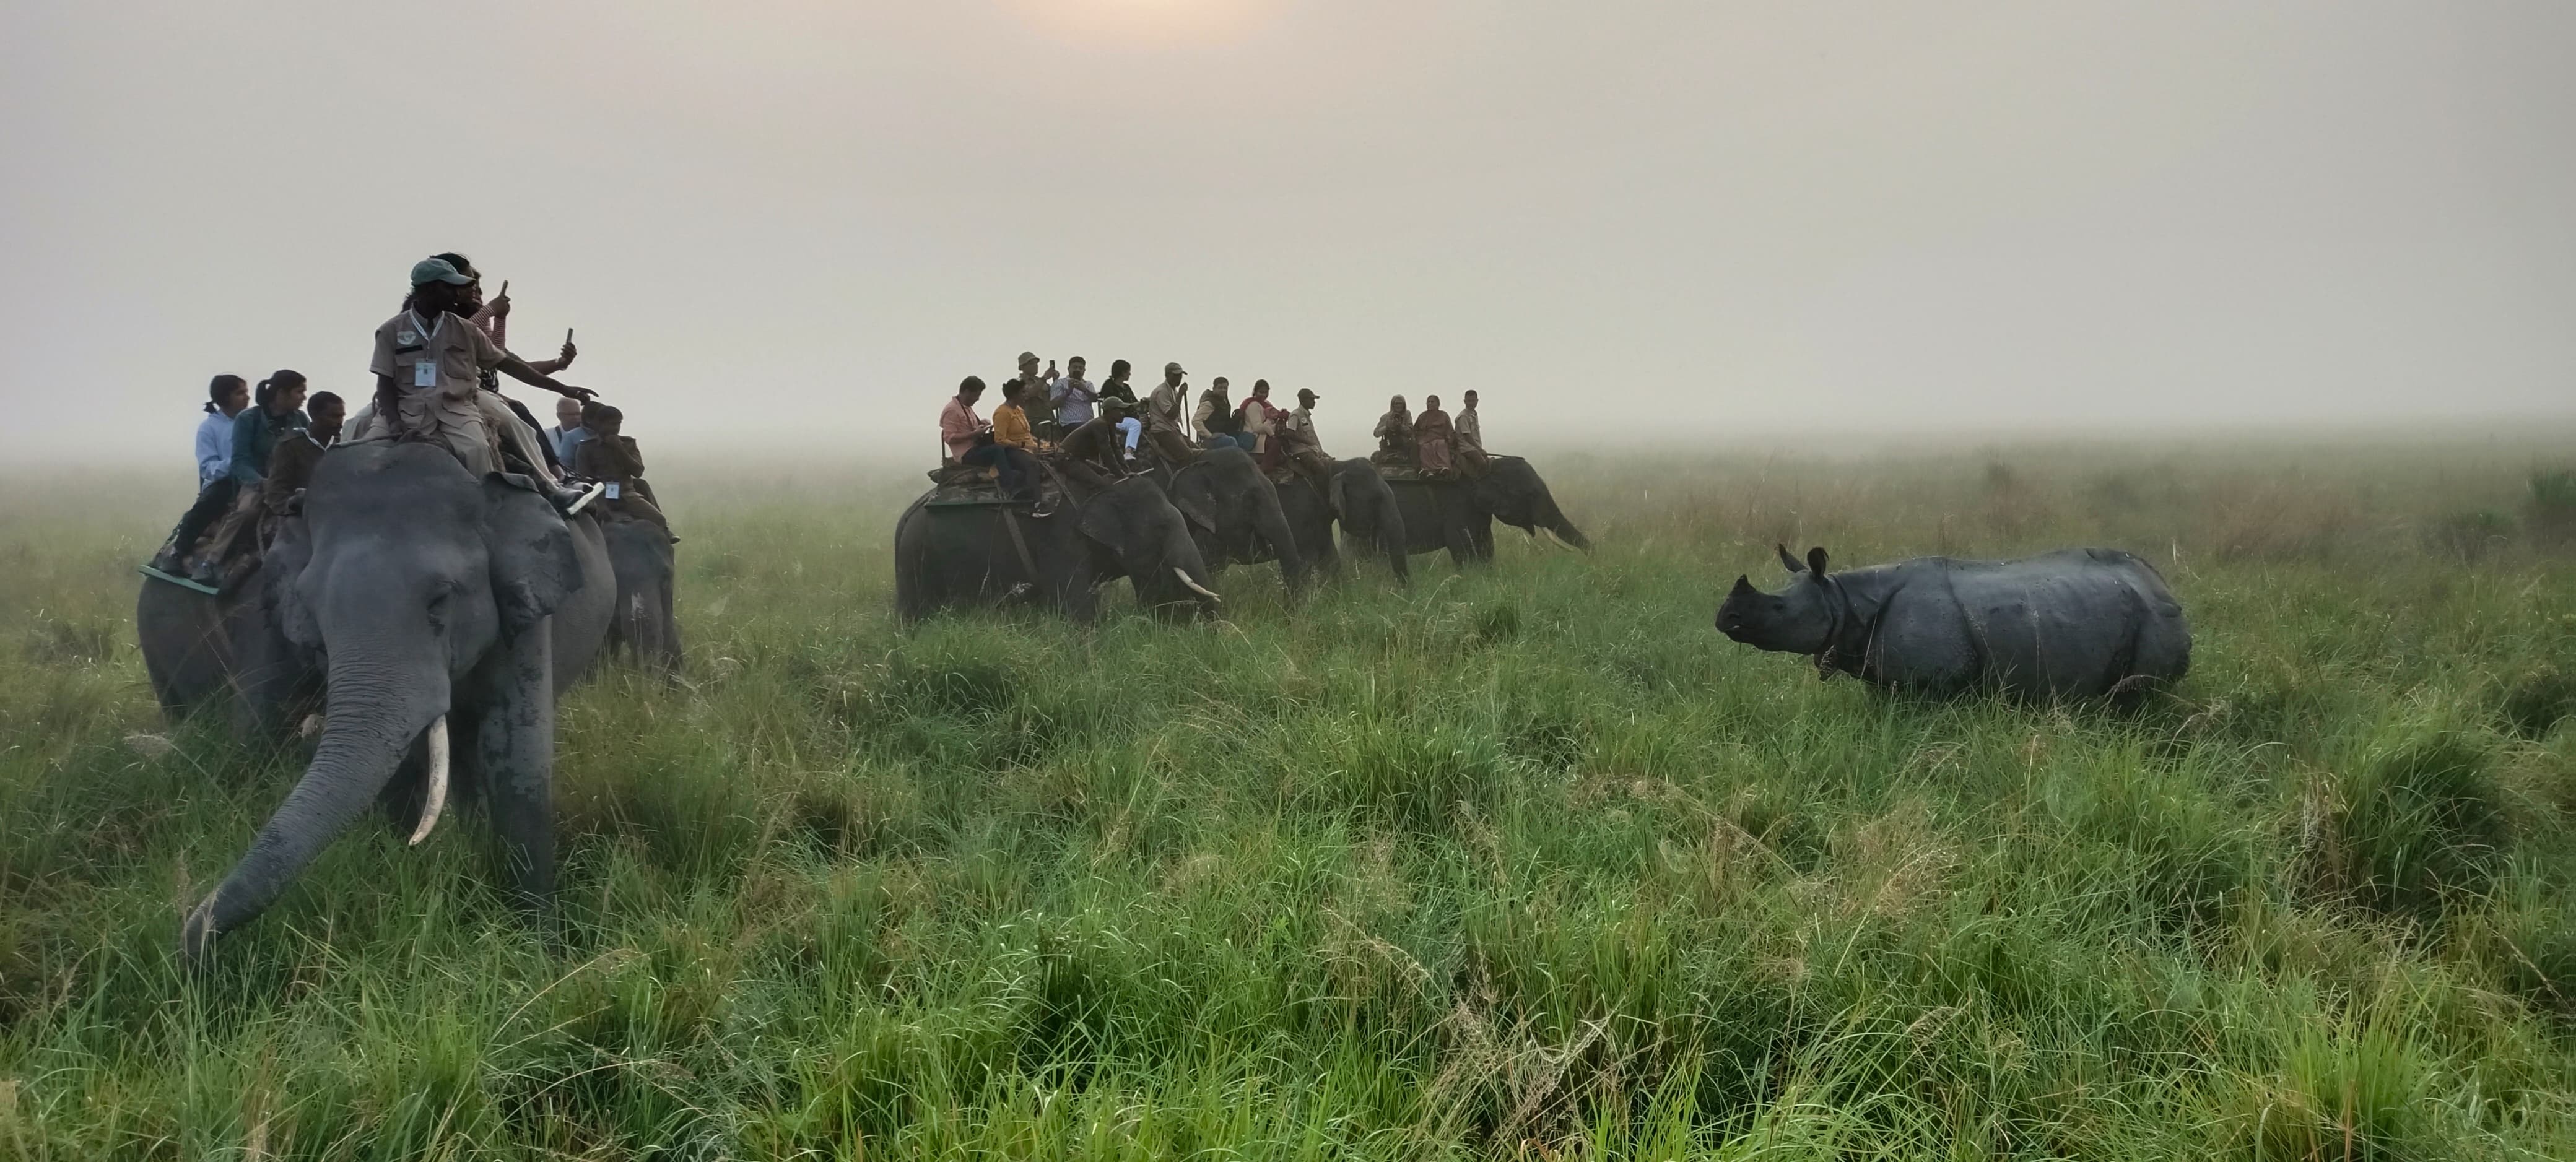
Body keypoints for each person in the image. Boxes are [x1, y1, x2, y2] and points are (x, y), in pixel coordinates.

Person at [362, 257, 598, 512]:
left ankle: (539, 491)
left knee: (479, 448)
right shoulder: (391, 331)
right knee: (365, 451)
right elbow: (384, 384)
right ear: (429, 289)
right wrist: (395, 422)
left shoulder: (465, 329)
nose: (458, 292)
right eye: (450, 286)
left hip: (457, 409)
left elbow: (509, 363)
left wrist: (563, 389)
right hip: (406, 406)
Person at [446, 253, 580, 474]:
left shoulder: (475, 321)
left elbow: (502, 357)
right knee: (518, 416)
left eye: (477, 288)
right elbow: (455, 337)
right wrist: (490, 310)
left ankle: (555, 473)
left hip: (478, 391)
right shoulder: (444, 320)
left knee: (517, 413)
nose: (476, 293)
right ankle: (554, 474)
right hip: (457, 390)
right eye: (470, 286)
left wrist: (559, 363)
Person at [188, 371, 309, 584]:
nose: (304, 398)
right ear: (282, 394)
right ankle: (212, 562)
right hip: (257, 483)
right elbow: (240, 462)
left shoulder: (300, 419)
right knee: (247, 511)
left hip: (290, 485)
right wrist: (261, 482)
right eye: (299, 392)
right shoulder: (248, 419)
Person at [151, 375, 251, 573]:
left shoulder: (252, 422)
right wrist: (237, 464)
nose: (247, 397)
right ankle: (178, 552)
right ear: (225, 398)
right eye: (241, 393)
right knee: (206, 505)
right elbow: (208, 468)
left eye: (247, 392)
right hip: (224, 483)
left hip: (253, 481)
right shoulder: (209, 428)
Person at [572, 402, 674, 538]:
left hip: (627, 495)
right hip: (600, 496)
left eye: (618, 424)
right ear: (598, 424)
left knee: (659, 519)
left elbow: (638, 471)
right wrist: (600, 506)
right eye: (610, 424)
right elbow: (584, 479)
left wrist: (619, 448)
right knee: (586, 533)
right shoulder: (586, 447)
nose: (615, 428)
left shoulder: (629, 444)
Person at [258, 389, 342, 540]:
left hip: (337, 516)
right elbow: (275, 491)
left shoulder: (344, 447)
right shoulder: (290, 447)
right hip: (300, 518)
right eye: (334, 416)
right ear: (315, 416)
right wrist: (293, 506)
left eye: (342, 416)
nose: (340, 422)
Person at [941, 376, 1039, 503]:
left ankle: (1015, 471)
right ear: (966, 392)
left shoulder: (965, 406)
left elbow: (967, 427)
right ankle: (1010, 484)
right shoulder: (952, 410)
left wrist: (981, 424)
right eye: (976, 395)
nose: (978, 399)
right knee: (998, 449)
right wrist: (974, 434)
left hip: (975, 446)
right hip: (967, 453)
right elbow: (949, 438)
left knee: (1000, 442)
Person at [1055, 398, 1134, 490]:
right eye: (1120, 410)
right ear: (1111, 411)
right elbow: (1106, 453)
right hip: (1067, 459)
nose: (1124, 414)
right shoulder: (1100, 424)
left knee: (1107, 473)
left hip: (1077, 459)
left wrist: (1127, 472)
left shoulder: (1110, 424)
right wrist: (1121, 474)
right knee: (1102, 484)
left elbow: (1116, 448)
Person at [1277, 387, 1336, 508]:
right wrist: (1307, 441)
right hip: (1301, 451)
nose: (1314, 402)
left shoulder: (1307, 416)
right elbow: (1290, 433)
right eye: (1312, 399)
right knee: (1320, 468)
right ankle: (1324, 497)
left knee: (1332, 463)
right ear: (1303, 400)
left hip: (1311, 450)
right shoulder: (1296, 415)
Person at [1142, 361, 1200, 466]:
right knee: (1187, 456)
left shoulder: (1174, 391)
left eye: (1180, 375)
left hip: (1173, 430)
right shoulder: (1162, 391)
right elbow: (1171, 414)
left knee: (1200, 451)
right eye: (1176, 375)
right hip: (1162, 431)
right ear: (1168, 375)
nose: (1179, 378)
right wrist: (1181, 395)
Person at [1009, 352, 1059, 439]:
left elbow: (1052, 400)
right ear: (1022, 367)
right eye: (1032, 363)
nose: (1036, 365)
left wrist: (1057, 382)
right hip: (1031, 422)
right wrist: (1045, 378)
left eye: (1036, 363)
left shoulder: (1041, 382)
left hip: (1049, 421)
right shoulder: (1019, 382)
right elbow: (1028, 394)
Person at [1238, 380, 1285, 468]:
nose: (1263, 395)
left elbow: (1273, 416)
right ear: (1255, 392)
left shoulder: (1266, 404)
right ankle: (1263, 469)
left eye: (1266, 392)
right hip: (1255, 435)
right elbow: (1257, 427)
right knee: (1276, 444)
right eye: (1261, 392)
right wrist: (1272, 430)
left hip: (1266, 432)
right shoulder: (1253, 405)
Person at [1194, 376, 1248, 450]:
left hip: (1224, 433)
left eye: (1225, 388)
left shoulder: (1223, 401)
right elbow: (1196, 421)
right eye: (1220, 388)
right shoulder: (1209, 403)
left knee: (1246, 438)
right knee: (1231, 441)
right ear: (1214, 389)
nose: (1223, 390)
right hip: (1210, 440)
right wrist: (1209, 435)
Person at [1415, 393, 1458, 477]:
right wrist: (1419, 438)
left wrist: (1449, 438)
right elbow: (1416, 429)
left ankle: (1444, 468)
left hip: (1441, 437)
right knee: (1425, 447)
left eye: (1432, 402)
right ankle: (1428, 470)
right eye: (1428, 402)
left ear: (1438, 404)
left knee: (1441, 444)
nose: (1430, 404)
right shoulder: (1422, 416)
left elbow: (1449, 429)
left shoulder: (1444, 415)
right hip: (1426, 438)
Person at [1050, 355, 1097, 432]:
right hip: (1070, 424)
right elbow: (1054, 405)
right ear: (1069, 369)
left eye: (1080, 368)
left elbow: (1095, 399)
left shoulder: (1088, 384)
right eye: (1075, 367)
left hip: (1089, 422)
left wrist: (1084, 390)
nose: (1077, 370)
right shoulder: (1060, 383)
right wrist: (1068, 392)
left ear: (1084, 370)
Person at [544, 395, 591, 468]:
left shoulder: (590, 434)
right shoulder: (547, 436)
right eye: (571, 415)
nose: (575, 418)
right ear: (559, 416)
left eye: (578, 414)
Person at [1371, 395, 1415, 470]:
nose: (1398, 406)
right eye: (1396, 404)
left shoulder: (1407, 415)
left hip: (1404, 447)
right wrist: (1387, 427)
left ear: (1404, 405)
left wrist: (1400, 426)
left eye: (1400, 403)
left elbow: (1411, 432)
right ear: (1393, 405)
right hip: (1388, 447)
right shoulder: (1386, 417)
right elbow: (1376, 433)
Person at [1455, 388, 1490, 477]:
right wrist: (1480, 449)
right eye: (1469, 401)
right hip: (1466, 448)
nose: (1471, 403)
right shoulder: (1463, 416)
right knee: (1482, 464)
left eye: (1473, 401)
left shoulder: (1474, 414)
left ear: (1477, 401)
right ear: (1465, 401)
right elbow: (1467, 437)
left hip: (1474, 447)